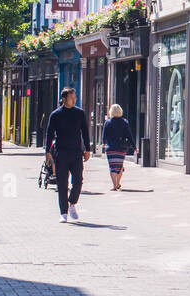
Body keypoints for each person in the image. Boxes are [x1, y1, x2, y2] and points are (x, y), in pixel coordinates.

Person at [44, 87, 91, 223]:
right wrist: (47, 152)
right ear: (64, 99)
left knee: (78, 180)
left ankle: (72, 202)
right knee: (62, 183)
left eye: (75, 97)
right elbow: (49, 133)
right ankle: (63, 213)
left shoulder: (79, 113)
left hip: (76, 152)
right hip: (61, 153)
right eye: (72, 98)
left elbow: (85, 132)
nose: (74, 100)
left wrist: (87, 149)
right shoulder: (56, 115)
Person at [102, 103, 136, 191]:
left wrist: (103, 143)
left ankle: (114, 185)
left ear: (111, 112)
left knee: (112, 166)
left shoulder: (108, 122)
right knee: (120, 166)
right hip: (121, 148)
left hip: (110, 148)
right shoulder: (125, 122)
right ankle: (117, 183)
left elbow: (104, 135)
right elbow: (129, 135)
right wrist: (134, 147)